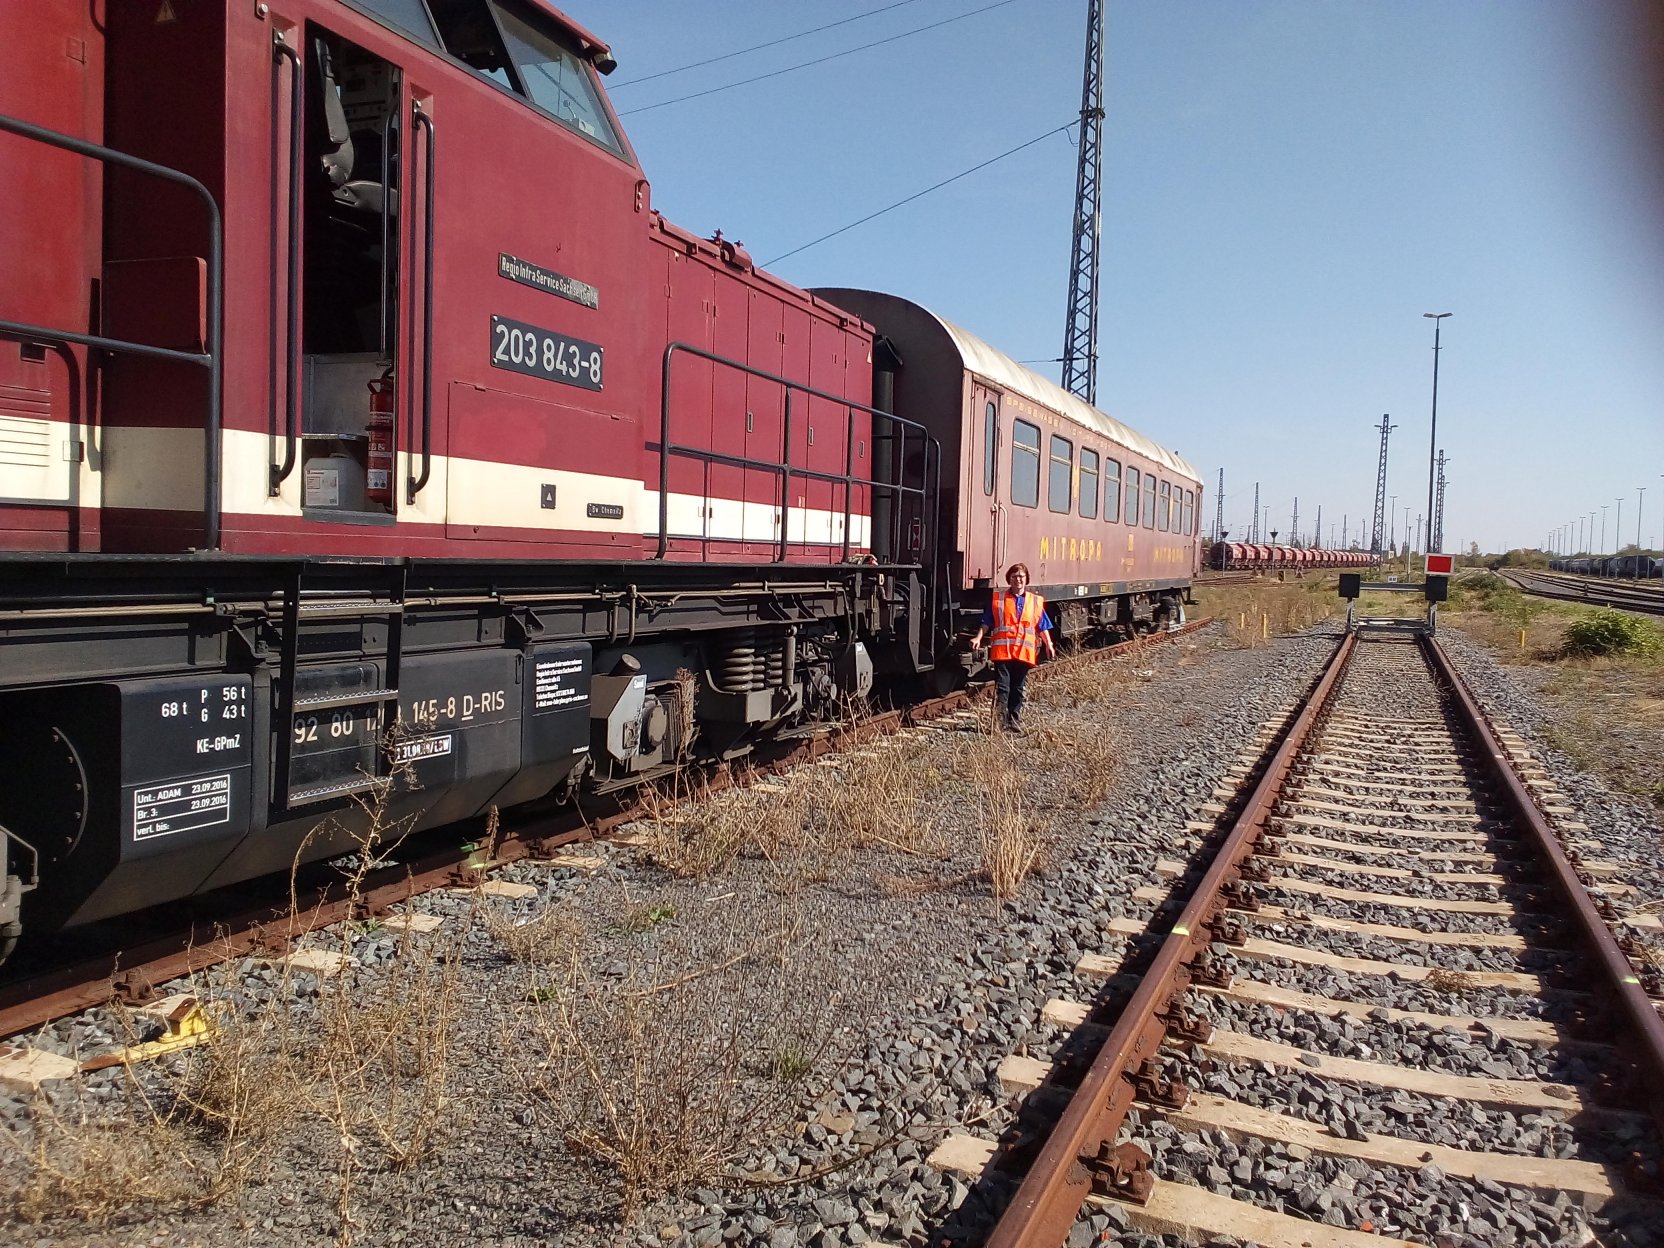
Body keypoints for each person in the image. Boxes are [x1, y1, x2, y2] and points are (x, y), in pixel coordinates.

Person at [967, 563, 1055, 733]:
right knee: (1003, 687)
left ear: (1026, 579)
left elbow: (1042, 625)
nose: (1018, 579)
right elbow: (987, 622)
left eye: (1021, 576)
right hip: (1003, 652)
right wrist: (978, 637)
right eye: (1014, 576)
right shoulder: (999, 600)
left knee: (1018, 688)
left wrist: (1049, 644)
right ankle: (999, 723)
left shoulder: (1034, 602)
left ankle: (1014, 721)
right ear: (1009, 579)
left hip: (1023, 652)